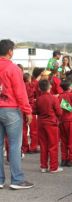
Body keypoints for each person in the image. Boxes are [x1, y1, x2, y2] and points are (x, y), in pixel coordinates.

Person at [0, 39, 34, 190]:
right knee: (14, 145)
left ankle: (0, 180)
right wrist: (27, 111)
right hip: (11, 109)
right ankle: (17, 179)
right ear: (10, 51)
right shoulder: (14, 69)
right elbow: (20, 93)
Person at [35, 80, 63, 173]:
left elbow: (35, 111)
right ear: (49, 87)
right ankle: (53, 167)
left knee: (43, 145)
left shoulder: (38, 99)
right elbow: (59, 112)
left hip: (41, 123)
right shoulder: (53, 98)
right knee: (53, 145)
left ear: (39, 88)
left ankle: (43, 166)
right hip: (51, 123)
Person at [58, 80, 72, 167]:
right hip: (71, 120)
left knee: (64, 141)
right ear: (69, 87)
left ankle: (64, 159)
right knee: (71, 141)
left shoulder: (60, 96)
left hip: (62, 120)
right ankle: (71, 159)